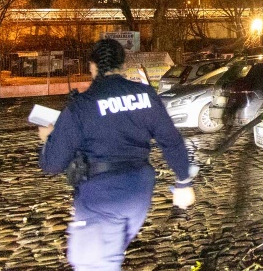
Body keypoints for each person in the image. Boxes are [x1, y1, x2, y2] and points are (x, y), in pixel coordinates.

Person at [38, 39, 197, 270]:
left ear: (92, 66)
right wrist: (183, 182)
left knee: (93, 264)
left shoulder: (82, 105)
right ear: (122, 65)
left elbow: (52, 163)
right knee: (109, 256)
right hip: (138, 193)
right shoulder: (145, 95)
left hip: (101, 197)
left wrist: (49, 137)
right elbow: (171, 140)